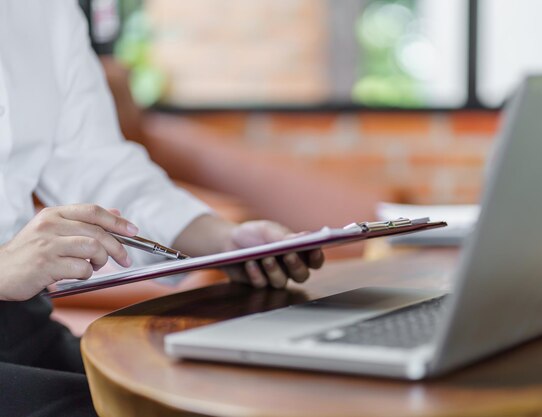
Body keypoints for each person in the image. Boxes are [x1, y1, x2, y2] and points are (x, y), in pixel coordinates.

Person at [0, 1, 323, 416]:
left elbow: (98, 166)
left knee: (213, 394)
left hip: (22, 325)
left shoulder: (48, 11)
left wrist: (225, 240)